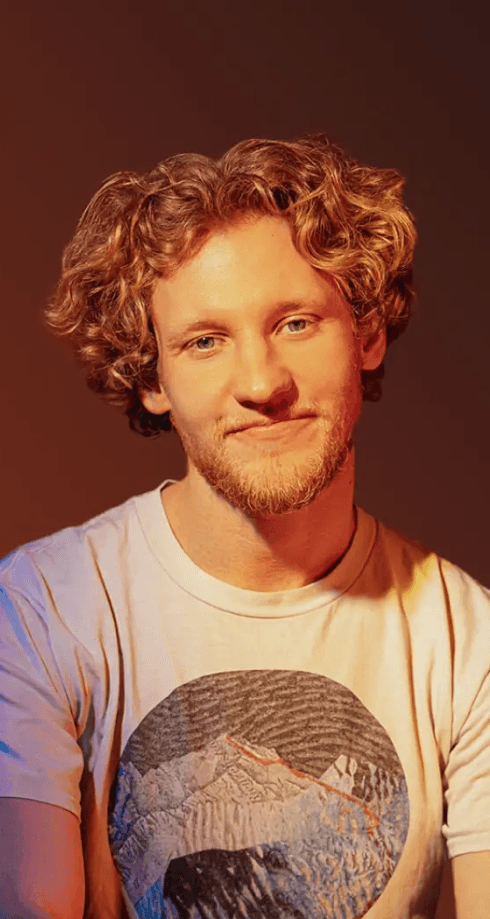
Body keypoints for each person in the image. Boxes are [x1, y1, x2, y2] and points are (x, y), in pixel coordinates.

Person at [0, 134, 488, 919]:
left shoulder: (466, 642)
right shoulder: (40, 609)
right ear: (153, 376)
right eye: (205, 341)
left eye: (296, 322)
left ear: (366, 334)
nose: (261, 382)